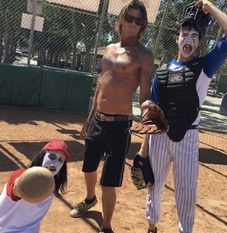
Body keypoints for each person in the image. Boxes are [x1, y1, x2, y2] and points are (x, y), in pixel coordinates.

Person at [136, 1, 227, 233]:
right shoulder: (161, 72)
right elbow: (151, 112)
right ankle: (152, 226)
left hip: (188, 137)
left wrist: (209, 7)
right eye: (184, 34)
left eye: (194, 36)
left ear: (199, 42)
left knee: (187, 191)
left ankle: (185, 230)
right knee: (154, 184)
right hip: (160, 136)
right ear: (177, 38)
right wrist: (143, 148)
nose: (188, 40)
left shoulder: (205, 65)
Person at [70, 1, 154, 232]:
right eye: (130, 18)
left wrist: (148, 115)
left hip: (120, 126)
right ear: (122, 19)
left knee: (109, 181)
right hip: (98, 121)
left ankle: (106, 226)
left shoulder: (144, 55)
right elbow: (101, 85)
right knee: (88, 169)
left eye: (139, 20)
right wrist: (89, 119)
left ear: (142, 25)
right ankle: (89, 199)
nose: (133, 24)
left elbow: (145, 93)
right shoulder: (108, 48)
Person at [0, 139, 72, 233]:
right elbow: (16, 186)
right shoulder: (21, 175)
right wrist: (21, 186)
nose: (55, 163)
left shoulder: (51, 184)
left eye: (60, 160)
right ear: (42, 156)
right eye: (52, 156)